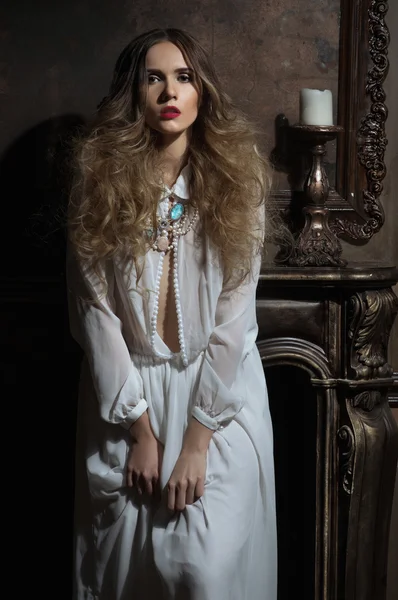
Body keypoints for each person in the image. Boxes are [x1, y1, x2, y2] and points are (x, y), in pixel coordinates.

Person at [67, 27, 277, 600]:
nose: (169, 91)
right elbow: (95, 313)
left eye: (184, 77)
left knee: (203, 575)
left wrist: (195, 443)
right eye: (154, 77)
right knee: (127, 580)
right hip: (127, 400)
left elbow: (236, 323)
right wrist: (140, 431)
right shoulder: (98, 186)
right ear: (133, 93)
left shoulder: (239, 185)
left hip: (217, 407)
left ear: (202, 91)